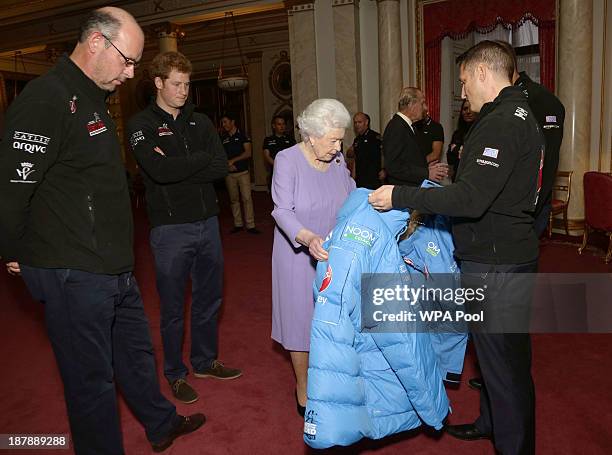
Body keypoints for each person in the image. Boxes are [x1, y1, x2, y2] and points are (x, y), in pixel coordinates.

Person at [0, 8, 204, 454]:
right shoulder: (45, 99)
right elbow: (12, 187)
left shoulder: (90, 97)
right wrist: (13, 249)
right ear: (96, 42)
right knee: (91, 382)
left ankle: (160, 423)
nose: (131, 73)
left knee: (135, 355)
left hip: (112, 266)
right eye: (127, 60)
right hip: (73, 270)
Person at [368, 40, 545, 455]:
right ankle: (492, 423)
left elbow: (470, 199)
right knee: (496, 360)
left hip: (496, 261)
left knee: (505, 366)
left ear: (483, 72)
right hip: (505, 251)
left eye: (464, 80)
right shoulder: (517, 112)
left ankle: (514, 446)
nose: (462, 91)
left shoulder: (502, 121)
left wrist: (401, 197)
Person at [127, 51, 242, 405]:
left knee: (209, 299)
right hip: (170, 231)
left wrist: (178, 165)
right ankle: (175, 374)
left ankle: (205, 361)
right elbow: (158, 173)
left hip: (207, 224)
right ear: (158, 83)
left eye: (187, 84)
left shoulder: (201, 122)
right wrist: (196, 164)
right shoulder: (140, 125)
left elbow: (220, 167)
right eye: (176, 84)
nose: (183, 91)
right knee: (174, 308)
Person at [271, 98, 355, 416]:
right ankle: (303, 387)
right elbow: (282, 209)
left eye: (340, 138)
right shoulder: (287, 160)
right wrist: (307, 238)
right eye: (333, 139)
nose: (339, 146)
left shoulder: (335, 161)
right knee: (300, 321)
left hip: (333, 251)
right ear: (311, 134)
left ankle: (331, 377)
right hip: (297, 253)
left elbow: (351, 193)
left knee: (333, 318)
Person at [496, 40, 565, 237]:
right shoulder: (500, 101)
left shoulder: (541, 100)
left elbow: (548, 158)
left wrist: (531, 208)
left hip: (525, 208)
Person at [382, 87, 448, 187]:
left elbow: (408, 160)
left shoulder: (407, 126)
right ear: (411, 105)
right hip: (404, 193)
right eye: (422, 103)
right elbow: (393, 167)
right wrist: (426, 173)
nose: (425, 108)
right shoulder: (397, 127)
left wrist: (425, 168)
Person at [220, 112, 259, 234]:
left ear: (232, 122)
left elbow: (248, 153)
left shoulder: (243, 136)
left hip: (243, 173)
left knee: (247, 198)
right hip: (229, 174)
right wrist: (227, 164)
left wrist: (233, 161)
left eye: (225, 122)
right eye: (222, 122)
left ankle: (250, 225)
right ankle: (238, 224)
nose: (224, 124)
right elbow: (220, 155)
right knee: (234, 199)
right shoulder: (223, 138)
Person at [346, 112, 384, 189]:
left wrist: (384, 170)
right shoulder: (357, 139)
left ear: (366, 122)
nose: (357, 125)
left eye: (359, 122)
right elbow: (354, 158)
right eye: (355, 122)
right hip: (360, 179)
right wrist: (353, 178)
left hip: (373, 179)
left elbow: (384, 154)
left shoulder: (375, 137)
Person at [446, 99, 476, 182]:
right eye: (465, 109)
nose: (468, 112)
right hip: (458, 178)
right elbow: (450, 159)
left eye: (471, 108)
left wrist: (456, 149)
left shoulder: (481, 132)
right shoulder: (457, 134)